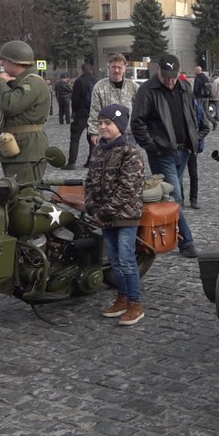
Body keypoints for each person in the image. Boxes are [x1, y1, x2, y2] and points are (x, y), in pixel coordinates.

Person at [131, 53, 209, 258]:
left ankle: (164, 231)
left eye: (173, 76)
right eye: (166, 76)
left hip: (183, 151)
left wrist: (194, 141)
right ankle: (187, 242)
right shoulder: (147, 90)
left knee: (170, 196)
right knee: (175, 196)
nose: (170, 80)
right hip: (162, 152)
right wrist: (153, 147)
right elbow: (137, 122)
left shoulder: (185, 87)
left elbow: (192, 115)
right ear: (158, 71)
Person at [84, 104, 146, 326]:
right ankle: (122, 298)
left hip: (125, 216)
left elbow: (127, 188)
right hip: (104, 217)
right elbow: (89, 181)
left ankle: (136, 304)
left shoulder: (131, 154)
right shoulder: (99, 150)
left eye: (108, 123)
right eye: (100, 123)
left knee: (127, 260)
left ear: (119, 126)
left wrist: (104, 212)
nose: (102, 127)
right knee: (114, 261)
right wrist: (92, 208)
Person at [0, 40, 51, 183]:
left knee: (25, 196)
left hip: (27, 150)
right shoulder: (19, 82)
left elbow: (9, 105)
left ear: (14, 62)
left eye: (4, 60)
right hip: (18, 148)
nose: (1, 64)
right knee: (15, 195)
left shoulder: (32, 83)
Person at [87, 53, 140, 148]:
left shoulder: (133, 87)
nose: (116, 70)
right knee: (111, 161)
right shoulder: (100, 87)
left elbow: (141, 110)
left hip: (129, 135)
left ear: (124, 69)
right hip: (108, 135)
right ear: (109, 67)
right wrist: (94, 132)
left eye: (119, 67)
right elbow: (94, 110)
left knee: (130, 160)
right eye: (113, 67)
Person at [67, 63, 97, 169]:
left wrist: (74, 111)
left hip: (81, 113)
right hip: (93, 113)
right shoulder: (96, 80)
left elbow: (75, 99)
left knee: (75, 138)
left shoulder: (79, 81)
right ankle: (91, 161)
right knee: (92, 138)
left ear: (82, 70)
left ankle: (72, 162)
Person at [193, 65, 218, 131]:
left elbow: (196, 89)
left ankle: (201, 125)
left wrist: (194, 95)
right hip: (206, 97)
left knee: (199, 111)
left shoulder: (197, 78)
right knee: (206, 111)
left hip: (199, 97)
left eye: (195, 70)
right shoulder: (206, 78)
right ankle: (213, 122)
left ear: (197, 71)